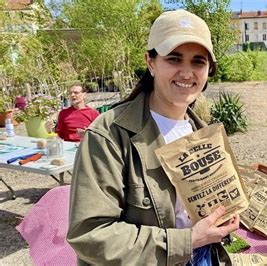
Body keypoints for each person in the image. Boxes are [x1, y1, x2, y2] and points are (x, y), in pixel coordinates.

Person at [67, 9, 239, 265]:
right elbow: (89, 234)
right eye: (174, 59)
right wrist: (187, 241)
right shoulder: (109, 134)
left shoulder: (202, 132)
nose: (186, 72)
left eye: (198, 61)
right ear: (150, 62)